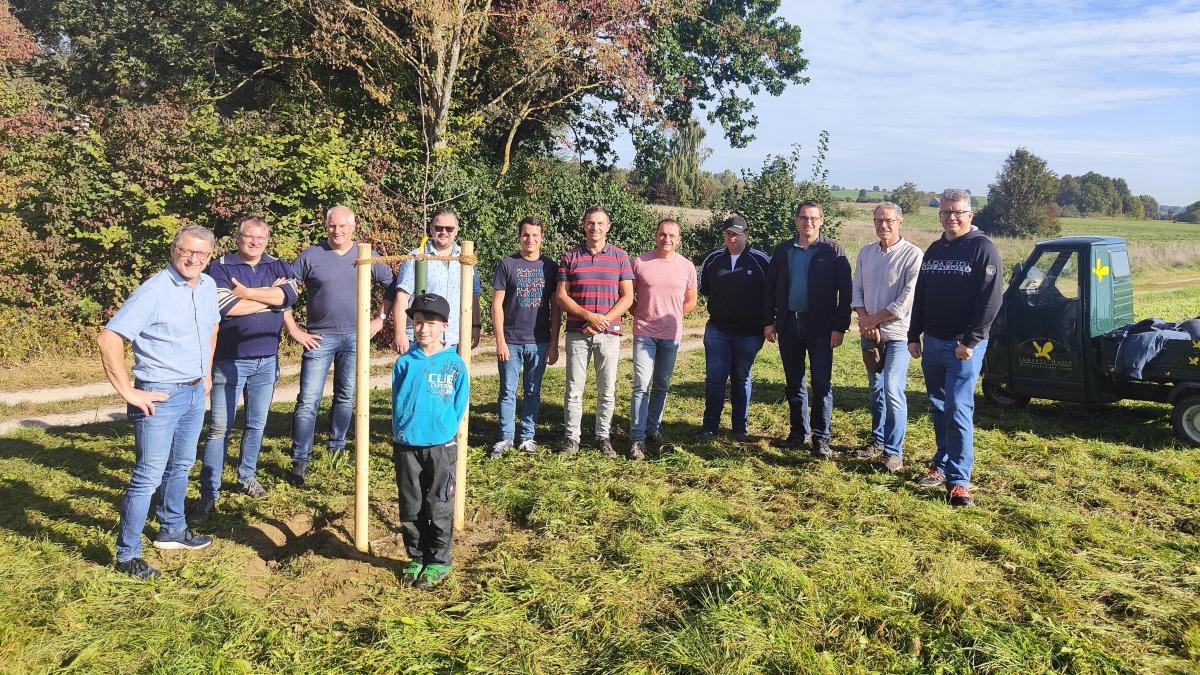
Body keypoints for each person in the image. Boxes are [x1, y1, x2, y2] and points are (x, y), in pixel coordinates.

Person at [97, 225, 221, 579]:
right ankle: (127, 555)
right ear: (173, 250)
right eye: (187, 251)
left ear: (209, 257)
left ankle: (173, 529)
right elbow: (109, 339)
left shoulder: (208, 286)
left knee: (181, 465)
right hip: (159, 395)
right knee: (147, 476)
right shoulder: (154, 290)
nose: (194, 259)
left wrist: (206, 373)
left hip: (195, 391)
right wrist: (128, 391)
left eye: (202, 254)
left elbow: (212, 329)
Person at [192, 217, 299, 524]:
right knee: (219, 428)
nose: (255, 242)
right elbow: (227, 308)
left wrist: (248, 293)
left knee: (257, 423)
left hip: (267, 359)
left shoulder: (279, 265)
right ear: (238, 238)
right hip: (229, 359)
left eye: (261, 238)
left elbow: (290, 296)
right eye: (249, 237)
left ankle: (246, 477)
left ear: (268, 239)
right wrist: (270, 298)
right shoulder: (220, 268)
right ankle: (209, 493)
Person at [283, 206, 395, 487]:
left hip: (356, 337)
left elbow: (392, 283)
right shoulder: (311, 256)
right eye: (333, 226)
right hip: (319, 337)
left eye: (343, 226)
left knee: (346, 396)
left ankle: (337, 447)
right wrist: (294, 329)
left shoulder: (366, 254)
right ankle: (301, 458)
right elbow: (283, 289)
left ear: (353, 227)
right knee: (308, 399)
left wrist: (380, 319)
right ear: (326, 226)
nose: (338, 230)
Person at [908, 189, 1003, 506]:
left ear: (970, 215)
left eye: (957, 212)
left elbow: (990, 301)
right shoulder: (935, 250)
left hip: (962, 346)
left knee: (959, 410)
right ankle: (942, 464)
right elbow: (921, 295)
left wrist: (971, 341)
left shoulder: (982, 249)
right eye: (946, 212)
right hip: (932, 342)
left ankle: (959, 482)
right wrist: (914, 334)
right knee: (938, 406)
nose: (951, 217)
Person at [391, 293, 469, 588]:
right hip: (407, 445)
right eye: (418, 322)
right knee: (411, 504)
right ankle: (416, 557)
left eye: (430, 323)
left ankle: (438, 560)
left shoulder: (454, 365)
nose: (423, 329)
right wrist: (403, 429)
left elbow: (459, 403)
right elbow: (398, 399)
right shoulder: (404, 363)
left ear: (444, 326)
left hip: (440, 445)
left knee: (439, 503)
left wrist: (444, 428)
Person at [763, 200, 852, 458]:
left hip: (821, 328)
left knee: (821, 383)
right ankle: (797, 433)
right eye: (803, 218)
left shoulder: (833, 251)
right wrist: (769, 321)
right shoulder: (783, 251)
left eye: (813, 218)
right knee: (794, 382)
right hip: (789, 323)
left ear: (821, 221)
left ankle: (821, 438)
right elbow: (770, 288)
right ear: (796, 220)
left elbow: (845, 293)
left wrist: (840, 327)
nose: (808, 223)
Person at [555, 205, 635, 457]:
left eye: (600, 223)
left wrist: (603, 321)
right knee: (574, 388)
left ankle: (603, 437)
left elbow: (628, 297)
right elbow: (561, 296)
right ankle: (571, 439)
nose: (595, 227)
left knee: (607, 389)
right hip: (578, 332)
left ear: (608, 227)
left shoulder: (620, 257)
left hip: (609, 334)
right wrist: (588, 316)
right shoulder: (569, 257)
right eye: (590, 222)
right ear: (584, 225)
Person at [851, 202, 923, 473]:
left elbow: (906, 300)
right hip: (870, 334)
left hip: (897, 335)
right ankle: (878, 440)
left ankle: (894, 452)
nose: (884, 225)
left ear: (900, 222)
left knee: (893, 389)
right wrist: (864, 319)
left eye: (889, 220)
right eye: (879, 220)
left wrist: (874, 319)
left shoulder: (912, 255)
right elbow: (856, 288)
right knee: (877, 390)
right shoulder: (866, 252)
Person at [490, 217, 560, 458]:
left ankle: (527, 437)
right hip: (510, 340)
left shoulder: (550, 267)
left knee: (532, 391)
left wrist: (553, 343)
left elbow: (555, 308)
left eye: (535, 235)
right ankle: (506, 438)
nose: (530, 239)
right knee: (507, 391)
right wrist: (499, 340)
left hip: (538, 342)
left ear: (541, 238)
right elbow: (496, 305)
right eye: (526, 235)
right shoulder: (507, 264)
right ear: (519, 236)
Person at [627, 218, 698, 459]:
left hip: (671, 334)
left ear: (679, 239)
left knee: (661, 384)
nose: (666, 239)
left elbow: (691, 299)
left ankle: (652, 429)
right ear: (655, 235)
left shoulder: (687, 267)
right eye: (662, 234)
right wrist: (640, 314)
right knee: (641, 384)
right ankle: (636, 438)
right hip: (644, 332)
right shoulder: (639, 262)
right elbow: (627, 294)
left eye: (672, 235)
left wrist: (675, 316)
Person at [697, 215, 771, 440]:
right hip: (718, 330)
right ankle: (710, 426)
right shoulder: (713, 259)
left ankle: (740, 428)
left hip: (749, 333)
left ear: (746, 235)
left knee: (741, 378)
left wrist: (769, 322)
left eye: (737, 234)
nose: (732, 238)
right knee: (715, 379)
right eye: (729, 234)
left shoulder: (761, 260)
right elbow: (704, 289)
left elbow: (771, 295)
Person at [392, 209, 481, 353]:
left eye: (449, 228)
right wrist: (400, 333)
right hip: (420, 339)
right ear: (431, 229)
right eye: (439, 228)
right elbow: (402, 297)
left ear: (456, 230)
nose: (444, 232)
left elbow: (473, 295)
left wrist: (475, 326)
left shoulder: (466, 259)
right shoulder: (417, 257)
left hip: (456, 340)